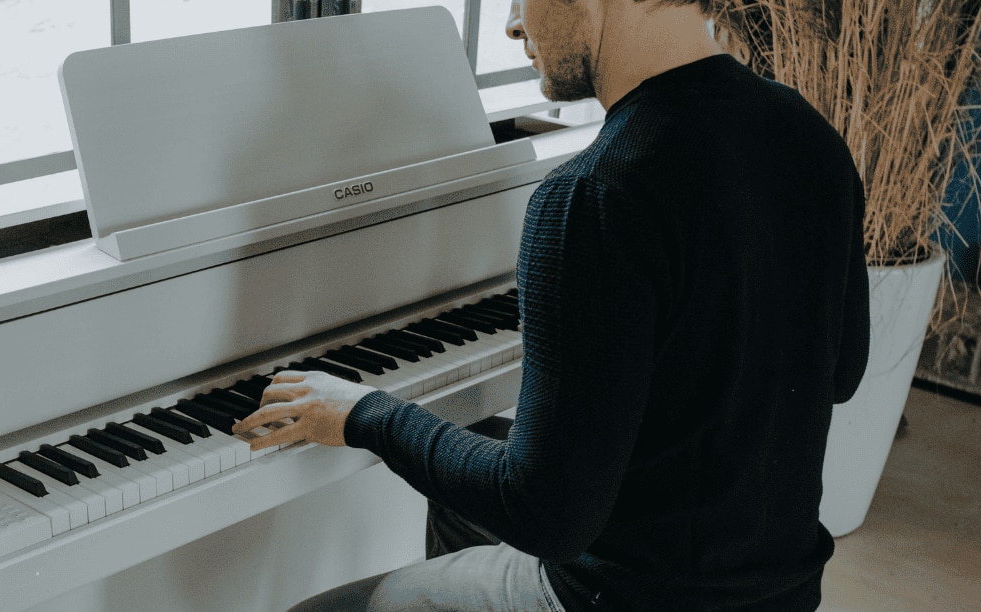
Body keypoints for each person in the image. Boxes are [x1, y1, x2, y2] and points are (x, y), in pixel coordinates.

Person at [232, 0, 869, 609]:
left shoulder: (593, 195)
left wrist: (363, 414)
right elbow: (841, 373)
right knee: (470, 463)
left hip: (627, 599)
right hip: (777, 591)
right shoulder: (808, 134)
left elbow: (545, 517)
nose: (513, 24)